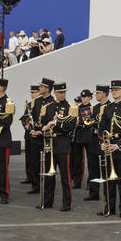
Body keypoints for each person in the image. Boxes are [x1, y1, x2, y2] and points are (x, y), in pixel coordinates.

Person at [97, 80, 121, 218]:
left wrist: (118, 145)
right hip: (108, 148)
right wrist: (102, 142)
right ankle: (109, 207)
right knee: (109, 180)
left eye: (117, 90)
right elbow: (101, 128)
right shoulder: (107, 108)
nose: (114, 92)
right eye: (112, 90)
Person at [37, 82, 76, 212]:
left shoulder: (70, 107)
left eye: (64, 92)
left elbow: (71, 127)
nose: (62, 94)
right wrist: (44, 128)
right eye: (60, 92)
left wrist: (56, 123)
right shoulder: (48, 107)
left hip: (63, 144)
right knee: (49, 176)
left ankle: (67, 203)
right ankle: (47, 202)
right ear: (55, 93)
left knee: (65, 177)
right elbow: (42, 124)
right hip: (50, 144)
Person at [27, 78, 55, 194]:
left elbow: (52, 121)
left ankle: (48, 187)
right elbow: (31, 117)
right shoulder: (36, 101)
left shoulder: (53, 102)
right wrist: (31, 129)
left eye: (42, 86)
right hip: (35, 135)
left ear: (47, 89)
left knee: (48, 164)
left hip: (46, 136)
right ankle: (35, 185)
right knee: (34, 162)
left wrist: (41, 131)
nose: (40, 88)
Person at [71, 89, 95, 191]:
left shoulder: (93, 108)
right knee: (77, 160)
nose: (83, 98)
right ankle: (77, 181)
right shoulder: (76, 108)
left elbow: (94, 121)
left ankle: (91, 182)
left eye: (86, 97)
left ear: (90, 97)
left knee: (91, 161)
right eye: (82, 96)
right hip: (79, 135)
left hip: (89, 136)